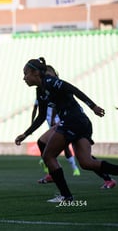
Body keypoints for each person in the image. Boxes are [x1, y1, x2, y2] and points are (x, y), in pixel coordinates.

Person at [15, 57, 118, 203]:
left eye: (26, 73)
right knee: (86, 163)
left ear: (35, 72)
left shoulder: (49, 82)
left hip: (72, 121)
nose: (24, 78)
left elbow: (73, 89)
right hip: (81, 122)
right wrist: (25, 134)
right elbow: (42, 116)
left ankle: (66, 196)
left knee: (48, 156)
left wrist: (93, 106)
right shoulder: (41, 90)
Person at [31, 65, 80, 184]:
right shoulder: (41, 91)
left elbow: (57, 104)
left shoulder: (56, 88)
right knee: (82, 156)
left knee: (77, 152)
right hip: (55, 123)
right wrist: (32, 125)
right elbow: (37, 110)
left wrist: (54, 120)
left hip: (65, 121)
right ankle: (53, 173)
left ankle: (70, 169)